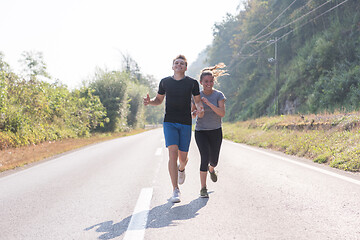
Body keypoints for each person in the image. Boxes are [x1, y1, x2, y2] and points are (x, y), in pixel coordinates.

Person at [143, 54, 204, 203]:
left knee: (183, 158)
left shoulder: (192, 83)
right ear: (172, 66)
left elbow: (197, 101)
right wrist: (149, 102)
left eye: (182, 63)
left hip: (185, 123)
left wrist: (200, 109)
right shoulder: (165, 82)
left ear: (186, 67)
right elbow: (158, 100)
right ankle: (175, 189)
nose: (179, 65)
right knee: (172, 153)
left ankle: (181, 169)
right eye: (176, 63)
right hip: (169, 122)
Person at [191, 63, 227, 198]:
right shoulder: (196, 96)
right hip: (201, 131)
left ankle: (212, 169)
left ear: (214, 81)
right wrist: (195, 113)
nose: (209, 83)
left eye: (211, 81)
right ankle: (203, 188)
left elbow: (222, 113)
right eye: (206, 81)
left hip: (216, 131)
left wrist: (208, 104)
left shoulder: (219, 95)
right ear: (201, 82)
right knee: (204, 158)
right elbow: (192, 112)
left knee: (214, 160)